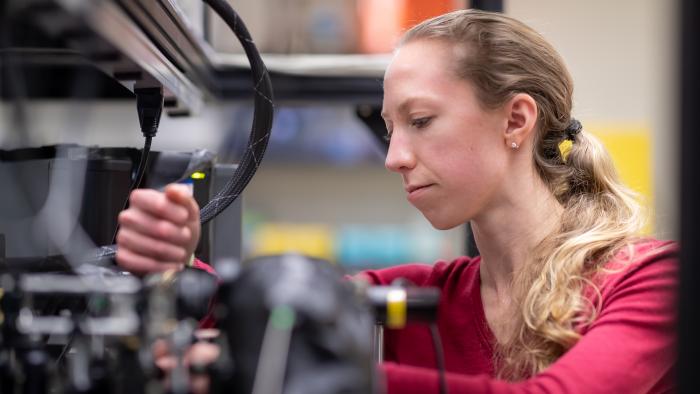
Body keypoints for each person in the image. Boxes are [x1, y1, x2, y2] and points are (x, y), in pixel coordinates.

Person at [115, 9, 678, 394]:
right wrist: (175, 262)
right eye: (391, 129)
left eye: (421, 121)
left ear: (516, 120)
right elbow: (272, 308)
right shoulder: (420, 295)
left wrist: (344, 378)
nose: (395, 157)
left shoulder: (655, 281)